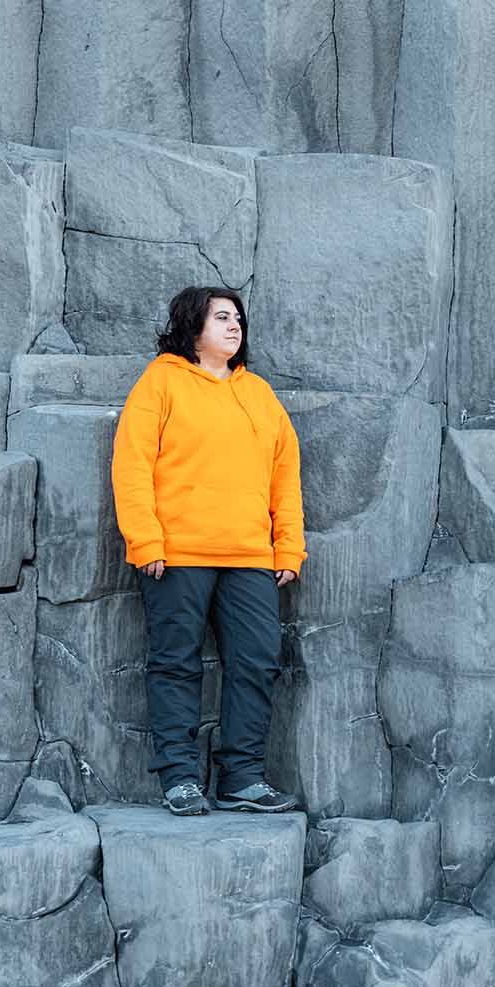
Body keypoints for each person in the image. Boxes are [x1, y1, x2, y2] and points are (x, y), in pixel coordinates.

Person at [109, 286, 306, 816]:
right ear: (192, 326)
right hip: (178, 554)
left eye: (238, 318)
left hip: (250, 559)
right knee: (176, 663)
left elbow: (285, 476)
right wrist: (145, 538)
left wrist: (289, 547)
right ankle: (180, 778)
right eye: (222, 317)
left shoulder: (260, 395)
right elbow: (131, 465)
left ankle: (241, 777)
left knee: (257, 662)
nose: (234, 326)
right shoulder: (161, 383)